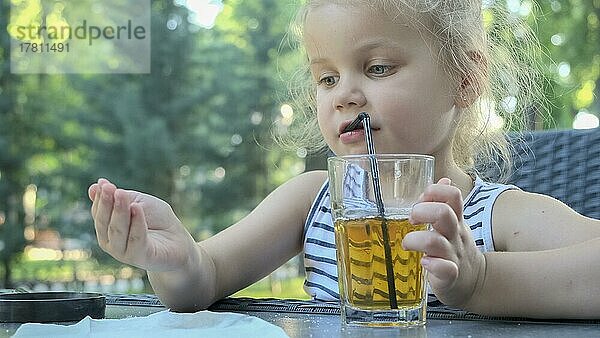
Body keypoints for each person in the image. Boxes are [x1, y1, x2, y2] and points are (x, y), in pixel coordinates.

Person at [88, 0, 600, 319]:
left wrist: (482, 280)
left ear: (464, 76)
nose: (344, 95)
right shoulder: (312, 201)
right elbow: (205, 278)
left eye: (376, 67)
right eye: (327, 77)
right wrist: (174, 259)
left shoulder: (489, 215)